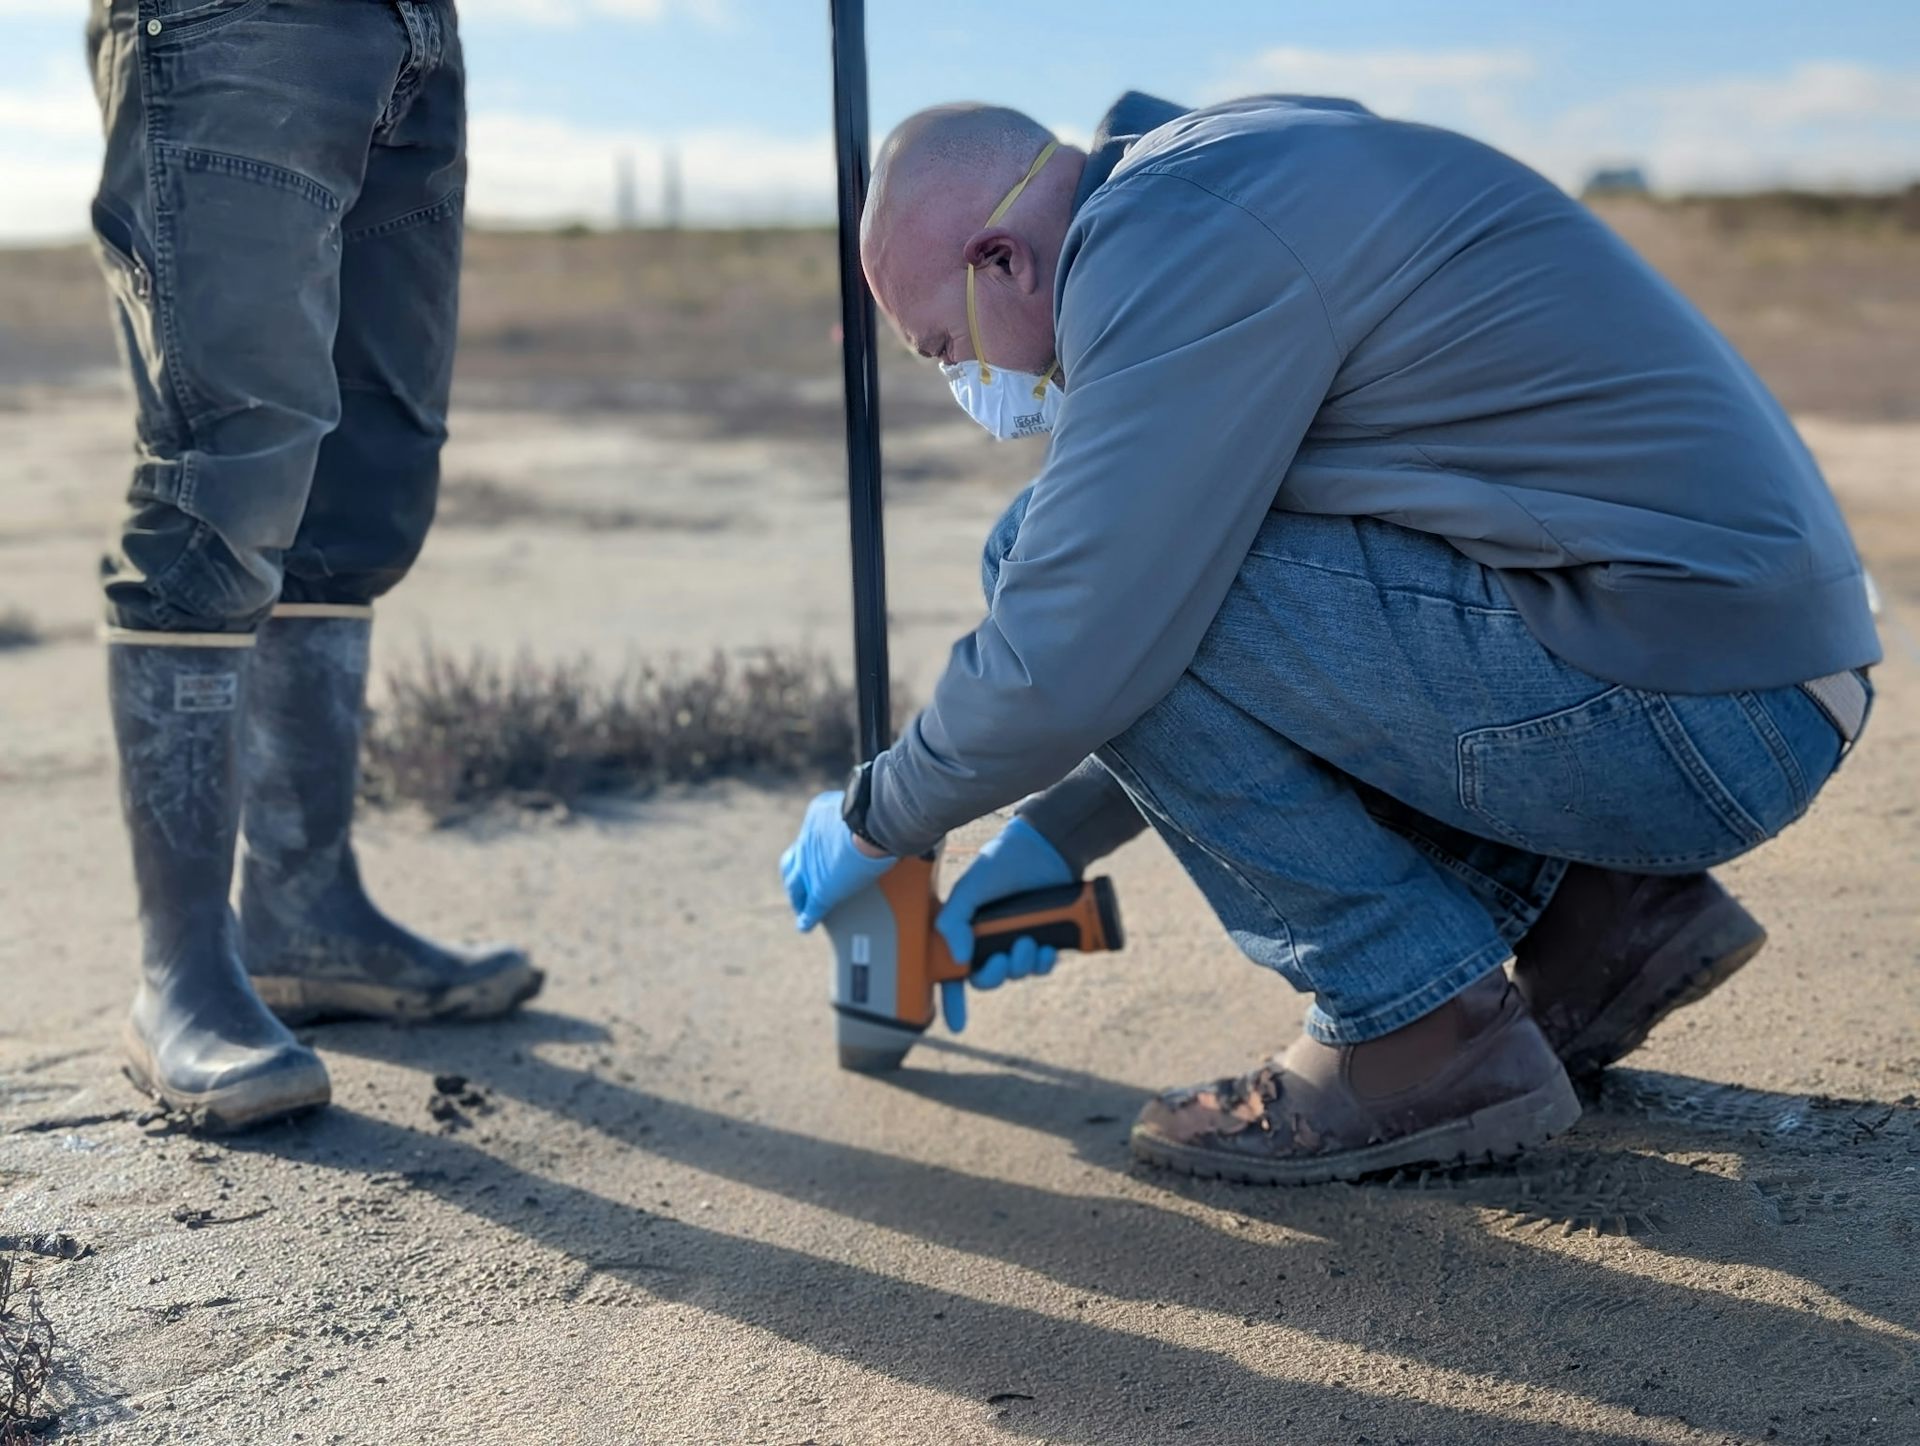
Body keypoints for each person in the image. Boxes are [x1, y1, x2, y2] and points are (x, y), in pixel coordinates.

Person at [780, 94, 1879, 1186]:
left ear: (1001, 260)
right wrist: (1052, 841)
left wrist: (875, 824)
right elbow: (1274, 631)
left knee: (1040, 553)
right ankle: (1603, 917)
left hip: (1693, 707)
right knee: (1145, 563)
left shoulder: (1171, 243)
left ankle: (1409, 1040)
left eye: (944, 350)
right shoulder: (1228, 183)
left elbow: (1082, 644)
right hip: (1742, 672)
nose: (974, 388)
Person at [86, 0, 540, 1132]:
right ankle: (182, 976)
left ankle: (305, 915)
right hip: (232, 20)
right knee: (222, 471)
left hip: (411, 32)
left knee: (364, 489)